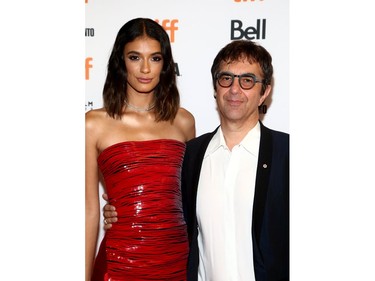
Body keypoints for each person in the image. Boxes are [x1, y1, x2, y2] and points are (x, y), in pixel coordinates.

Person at [103, 40, 289, 281]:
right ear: (215, 87)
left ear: (264, 91)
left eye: (247, 81)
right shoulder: (191, 155)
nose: (234, 89)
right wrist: (122, 210)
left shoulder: (287, 155)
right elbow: (166, 206)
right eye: (226, 78)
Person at [86, 18, 195, 281]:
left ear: (165, 64)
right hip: (119, 261)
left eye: (155, 58)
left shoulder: (184, 121)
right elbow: (88, 209)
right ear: (120, 61)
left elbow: (190, 199)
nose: (145, 68)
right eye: (135, 57)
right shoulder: (93, 124)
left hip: (176, 260)